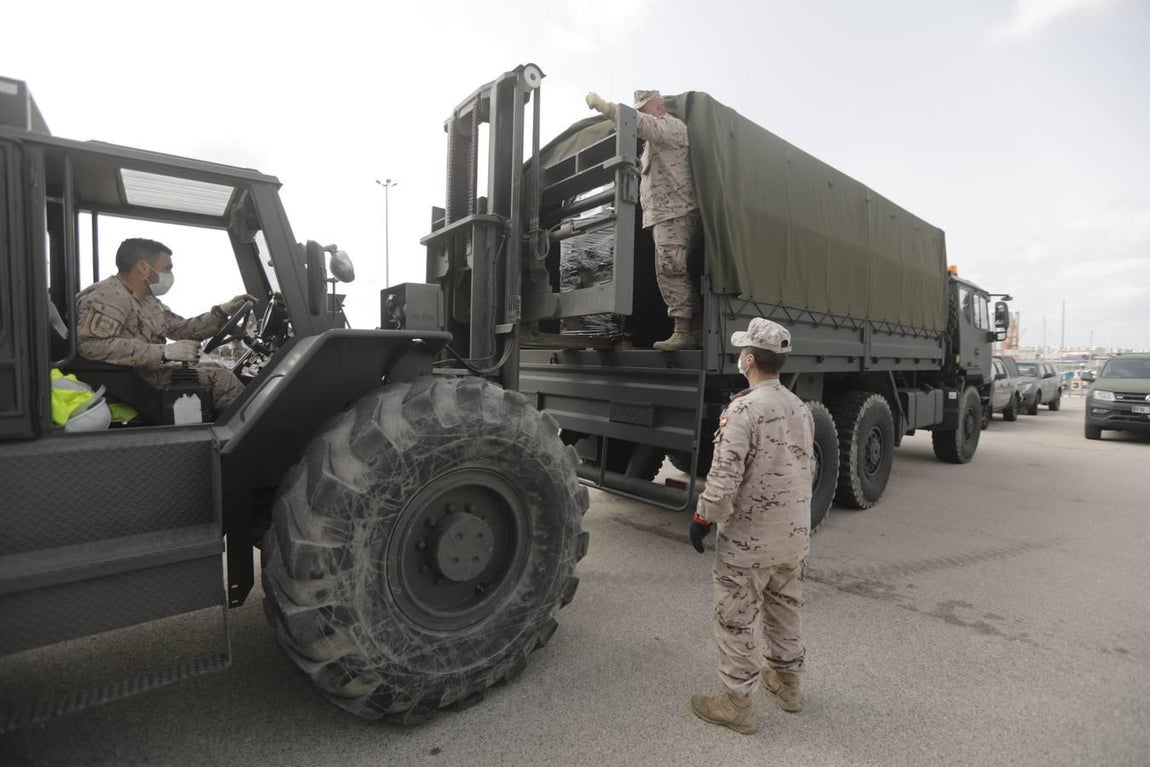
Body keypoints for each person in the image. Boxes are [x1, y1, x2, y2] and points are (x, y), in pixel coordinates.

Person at [686, 317, 815, 734]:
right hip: (794, 537)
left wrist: (703, 517)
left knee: (736, 617)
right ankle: (787, 684)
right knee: (785, 608)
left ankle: (737, 703)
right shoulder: (800, 407)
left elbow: (724, 479)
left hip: (749, 540)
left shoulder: (744, 409)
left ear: (748, 359)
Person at [75, 237, 254, 413]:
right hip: (129, 384)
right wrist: (164, 352)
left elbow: (181, 329)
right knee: (222, 379)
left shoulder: (148, 301)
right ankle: (252, 433)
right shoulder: (109, 295)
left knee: (218, 368)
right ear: (144, 267)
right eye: (167, 269)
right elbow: (90, 346)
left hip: (144, 376)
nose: (169, 275)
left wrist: (222, 312)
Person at [585, 89, 701, 351]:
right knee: (674, 268)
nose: (642, 114)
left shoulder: (670, 126)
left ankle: (684, 330)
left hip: (673, 212)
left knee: (670, 269)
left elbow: (640, 123)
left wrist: (609, 108)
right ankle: (692, 328)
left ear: (658, 106)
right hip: (665, 213)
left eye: (644, 108)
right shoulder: (654, 144)